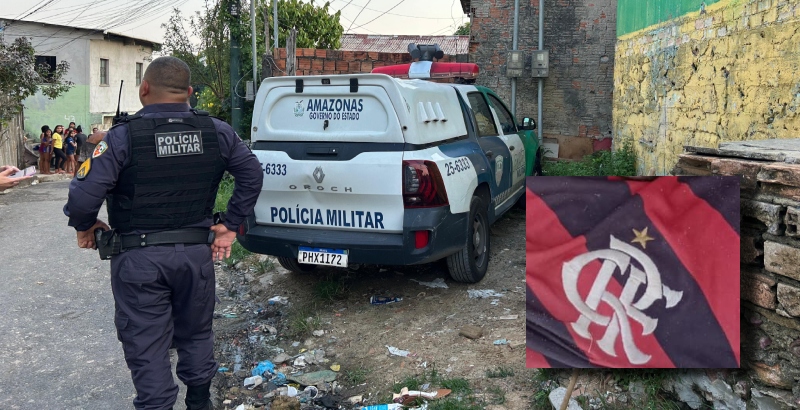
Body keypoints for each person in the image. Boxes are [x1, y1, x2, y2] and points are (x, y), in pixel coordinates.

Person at [63, 56, 263, 410]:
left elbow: (84, 197)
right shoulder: (216, 130)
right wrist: (230, 226)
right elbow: (252, 174)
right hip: (195, 257)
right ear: (189, 93)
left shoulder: (123, 137)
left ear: (143, 90)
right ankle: (201, 403)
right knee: (197, 332)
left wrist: (85, 226)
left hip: (139, 260)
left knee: (147, 342)